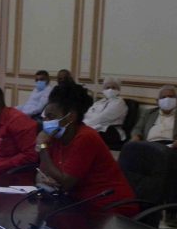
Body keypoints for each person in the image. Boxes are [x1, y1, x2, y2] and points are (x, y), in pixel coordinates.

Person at [36, 82, 138, 216]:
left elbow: (66, 182)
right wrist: (46, 178)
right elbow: (42, 173)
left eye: (51, 117)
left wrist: (42, 147)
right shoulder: (56, 136)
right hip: (79, 203)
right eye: (45, 117)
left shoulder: (86, 137)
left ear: (71, 117)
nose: (46, 122)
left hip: (110, 208)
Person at [130, 85, 177, 227]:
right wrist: (136, 135)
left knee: (174, 164)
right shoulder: (149, 113)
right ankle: (142, 208)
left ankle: (171, 213)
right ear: (157, 100)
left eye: (171, 97)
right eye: (163, 97)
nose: (167, 99)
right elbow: (138, 128)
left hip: (174, 147)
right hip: (151, 146)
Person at [83, 77, 128, 142]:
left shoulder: (119, 102)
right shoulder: (99, 102)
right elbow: (88, 114)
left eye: (113, 87)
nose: (110, 90)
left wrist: (85, 125)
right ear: (103, 90)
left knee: (84, 135)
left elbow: (103, 117)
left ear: (118, 90)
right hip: (93, 126)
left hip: (110, 131)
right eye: (108, 88)